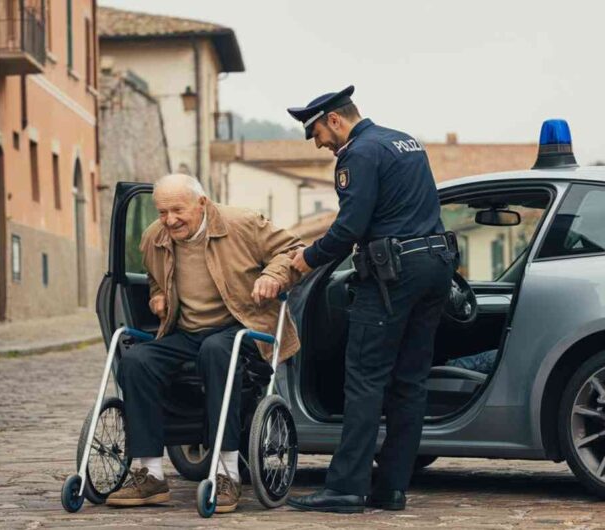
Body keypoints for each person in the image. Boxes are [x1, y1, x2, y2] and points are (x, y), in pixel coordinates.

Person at [286, 86, 456, 513]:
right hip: (435, 266)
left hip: (392, 275)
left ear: (334, 120)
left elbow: (350, 227)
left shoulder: (357, 154)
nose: (322, 145)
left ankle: (344, 488)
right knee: (410, 382)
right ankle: (391, 488)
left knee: (365, 379)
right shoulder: (407, 141)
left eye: (318, 134)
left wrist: (307, 259)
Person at [106, 174, 303, 513]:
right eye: (162, 212)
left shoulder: (241, 223)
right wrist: (157, 296)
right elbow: (154, 276)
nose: (169, 220)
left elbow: (294, 250)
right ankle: (149, 474)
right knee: (137, 360)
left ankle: (226, 472)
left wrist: (273, 275)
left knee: (216, 351)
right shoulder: (156, 237)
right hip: (187, 333)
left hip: (244, 327)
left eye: (177, 210)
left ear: (202, 204)